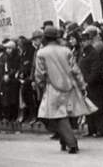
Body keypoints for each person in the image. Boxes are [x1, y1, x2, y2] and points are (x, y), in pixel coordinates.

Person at [34, 25, 96, 154]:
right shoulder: (66, 50)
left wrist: (40, 84)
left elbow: (40, 73)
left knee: (57, 116)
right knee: (65, 114)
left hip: (52, 88)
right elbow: (75, 70)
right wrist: (82, 85)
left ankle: (71, 143)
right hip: (70, 87)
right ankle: (64, 141)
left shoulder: (41, 53)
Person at [79, 29, 103, 137]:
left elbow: (95, 69)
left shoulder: (93, 53)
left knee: (96, 107)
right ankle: (91, 129)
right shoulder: (83, 53)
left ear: (90, 41)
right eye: (82, 41)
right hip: (85, 83)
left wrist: (88, 81)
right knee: (87, 107)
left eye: (85, 41)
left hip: (93, 85)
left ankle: (100, 129)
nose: (83, 43)